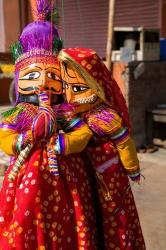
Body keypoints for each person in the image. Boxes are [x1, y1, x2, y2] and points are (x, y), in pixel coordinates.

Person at [0, 2, 98, 249]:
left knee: (70, 219)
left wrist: (66, 143)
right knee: (25, 218)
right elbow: (5, 138)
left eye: (52, 76)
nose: (42, 82)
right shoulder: (20, 112)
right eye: (33, 76)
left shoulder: (65, 112)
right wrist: (22, 140)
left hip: (67, 177)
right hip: (26, 180)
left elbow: (84, 132)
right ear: (20, 79)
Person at [58, 47, 146, 249]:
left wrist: (132, 169)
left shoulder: (106, 117)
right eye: (66, 87)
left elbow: (124, 143)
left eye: (79, 89)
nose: (70, 96)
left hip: (109, 177)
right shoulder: (72, 115)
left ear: (95, 85)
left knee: (113, 217)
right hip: (85, 176)